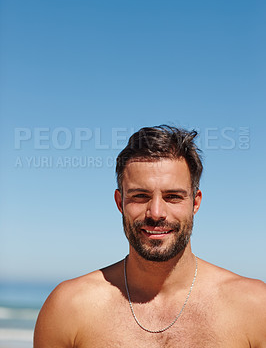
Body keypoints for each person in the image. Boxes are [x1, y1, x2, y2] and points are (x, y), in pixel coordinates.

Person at [34, 125, 266, 347]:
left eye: (173, 196)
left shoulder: (255, 306)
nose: (156, 213)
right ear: (120, 202)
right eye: (140, 196)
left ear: (195, 203)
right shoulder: (69, 307)